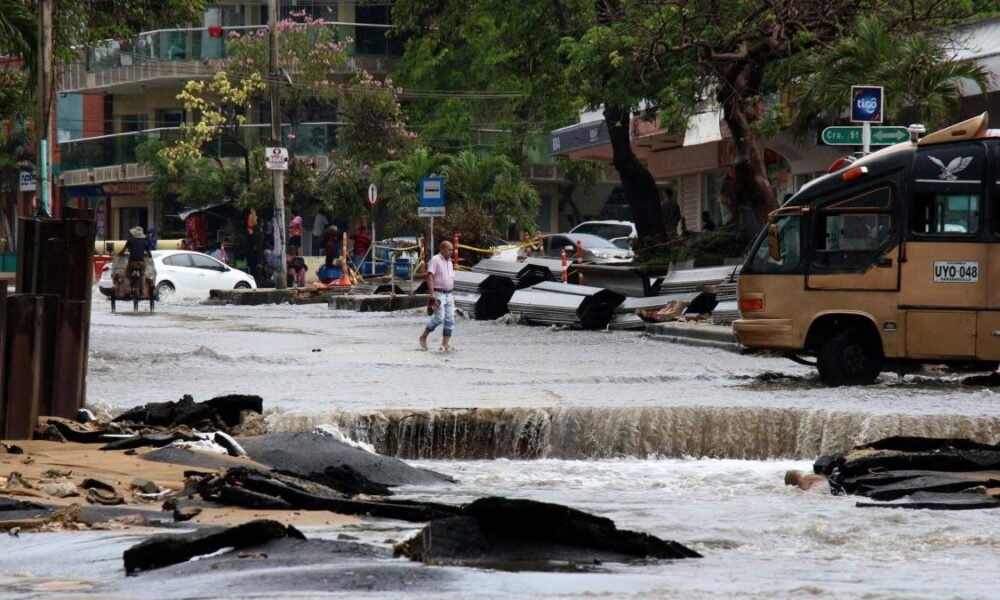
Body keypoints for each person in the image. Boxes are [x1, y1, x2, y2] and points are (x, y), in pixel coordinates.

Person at [418, 240, 456, 352]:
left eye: (452, 250)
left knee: (450, 320)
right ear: (443, 249)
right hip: (439, 293)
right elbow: (429, 276)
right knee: (439, 318)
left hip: (449, 294)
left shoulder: (450, 262)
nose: (451, 252)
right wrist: (432, 294)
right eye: (449, 250)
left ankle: (445, 344)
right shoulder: (435, 260)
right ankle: (423, 336)